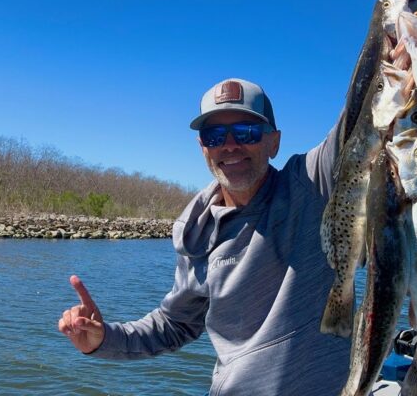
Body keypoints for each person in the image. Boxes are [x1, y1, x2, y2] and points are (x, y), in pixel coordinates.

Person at [58, 78, 351, 395]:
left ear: (274, 142)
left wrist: (393, 43)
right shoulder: (196, 234)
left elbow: (362, 119)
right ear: (203, 148)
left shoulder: (311, 185)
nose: (229, 145)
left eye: (246, 132)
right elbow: (175, 325)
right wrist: (104, 339)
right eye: (214, 136)